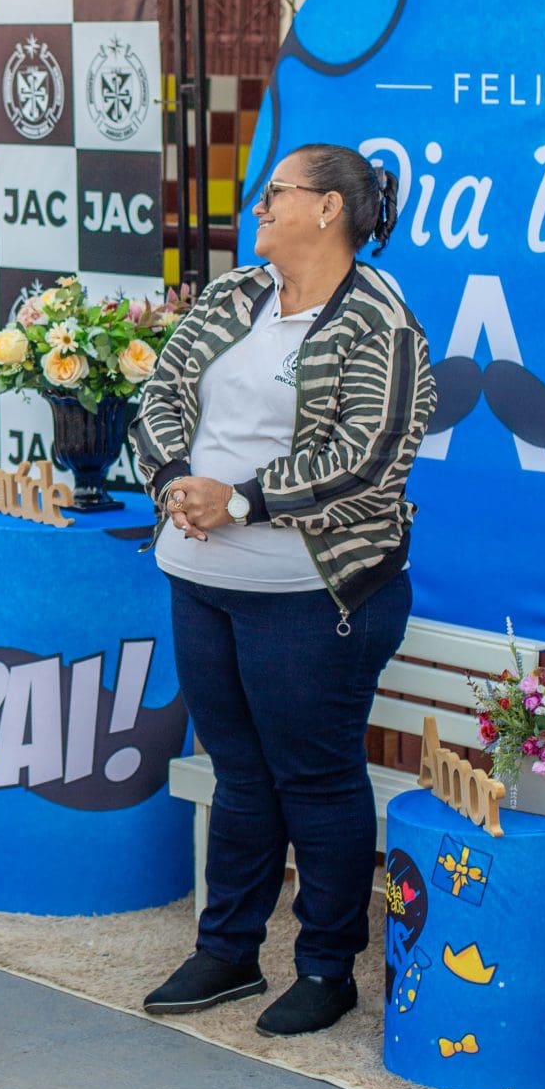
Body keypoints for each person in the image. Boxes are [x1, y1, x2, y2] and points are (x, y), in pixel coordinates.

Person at [131, 145, 436, 1038]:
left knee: (316, 780)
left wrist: (240, 501)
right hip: (201, 579)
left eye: (276, 193)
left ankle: (326, 968)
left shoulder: (380, 322)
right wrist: (175, 484)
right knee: (240, 774)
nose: (257, 207)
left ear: (330, 208)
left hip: (314, 593)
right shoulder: (234, 295)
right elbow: (161, 395)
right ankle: (227, 951)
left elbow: (369, 459)